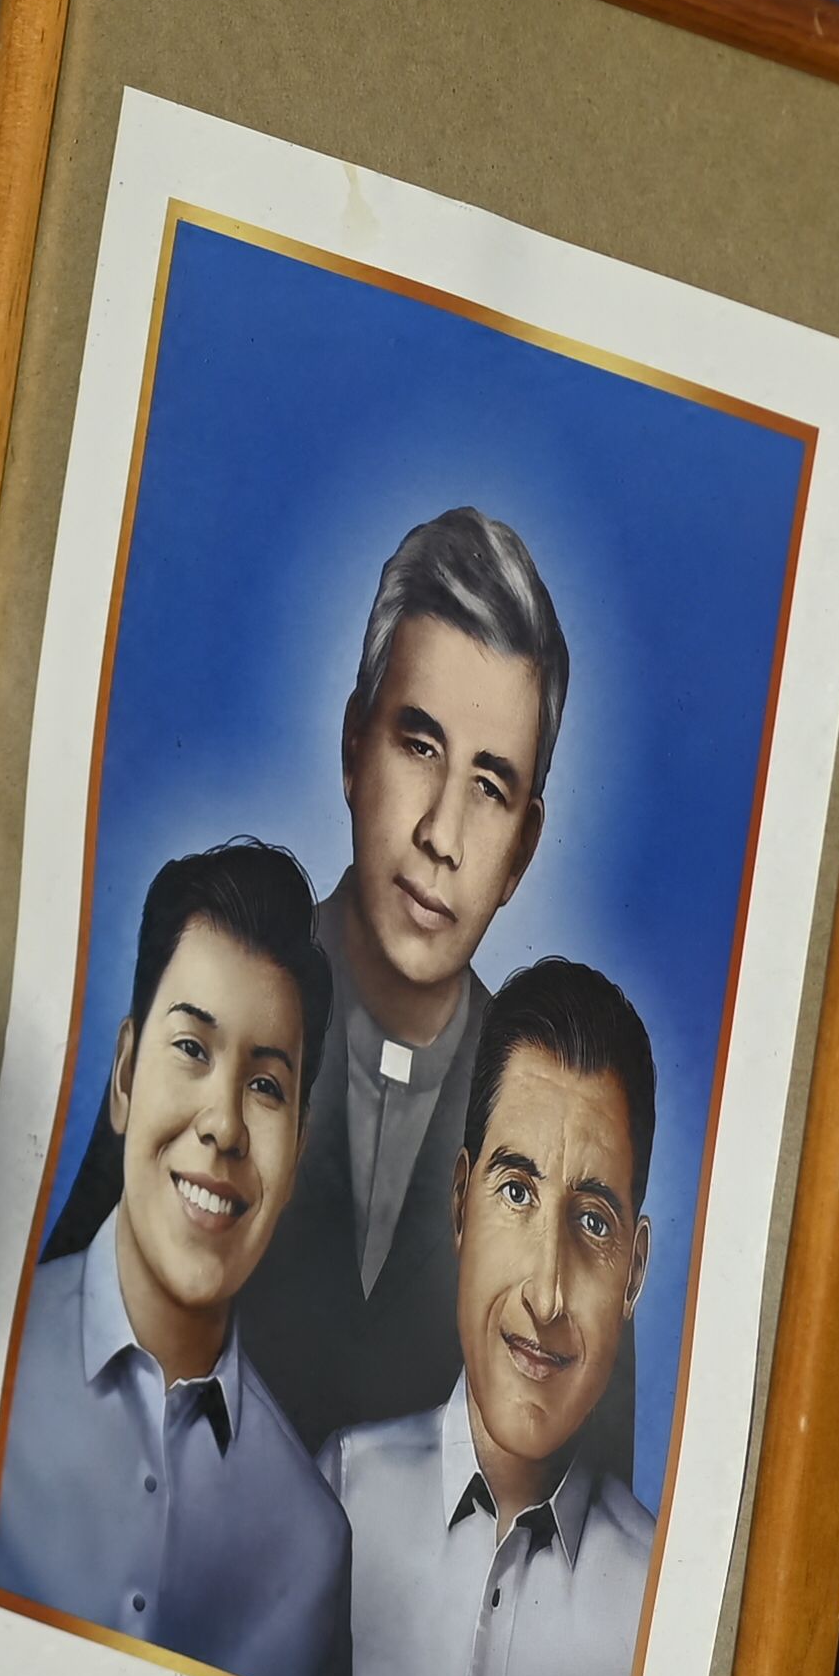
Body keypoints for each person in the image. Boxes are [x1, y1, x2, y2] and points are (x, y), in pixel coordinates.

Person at [0, 838, 353, 1676]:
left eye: (267, 1087)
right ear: (122, 1077)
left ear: (295, 1156)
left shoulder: (309, 1545)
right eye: (192, 1049)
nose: (223, 1124)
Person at [241, 507, 572, 1453]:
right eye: (418, 747)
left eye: (490, 785)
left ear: (523, 850)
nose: (440, 834)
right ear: (353, 747)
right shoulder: (211, 1001)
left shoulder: (558, 1136)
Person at [324, 954, 663, 1676]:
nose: (547, 1294)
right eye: (516, 1191)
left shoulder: (663, 1620)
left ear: (635, 1271)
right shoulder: (335, 1501)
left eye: (593, 1223)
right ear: (460, 1204)